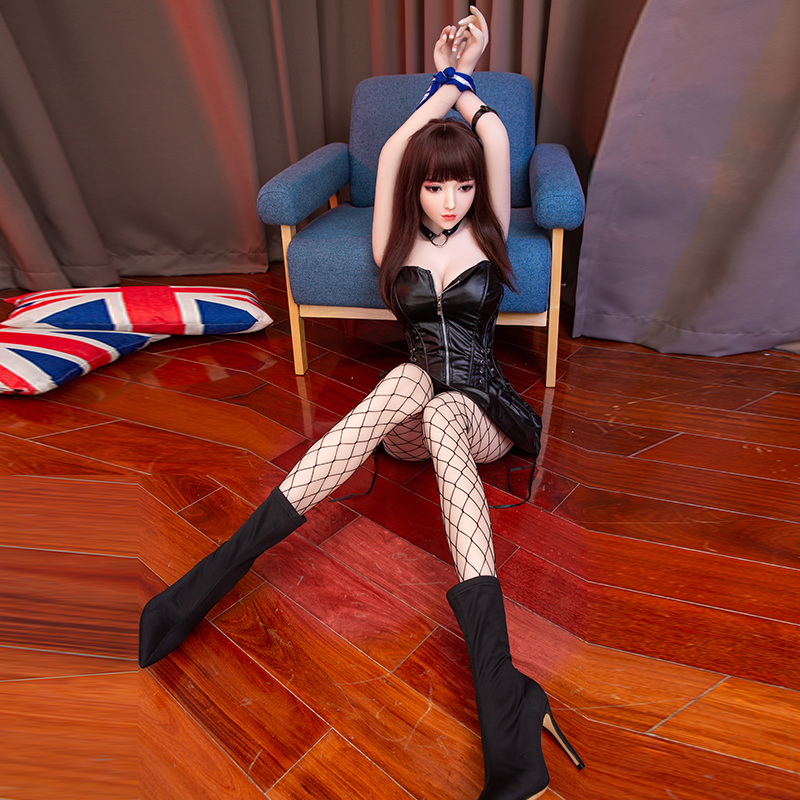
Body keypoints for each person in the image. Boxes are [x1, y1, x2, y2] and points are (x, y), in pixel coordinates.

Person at [139, 7, 583, 799]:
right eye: (436, 185)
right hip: (405, 422)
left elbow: (493, 137)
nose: (450, 199)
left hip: (480, 414)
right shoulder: (392, 238)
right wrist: (436, 87)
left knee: (440, 404)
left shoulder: (487, 232)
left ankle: (501, 699)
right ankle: (212, 578)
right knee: (411, 383)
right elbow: (394, 153)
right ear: (414, 186)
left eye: (463, 185)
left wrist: (467, 78)